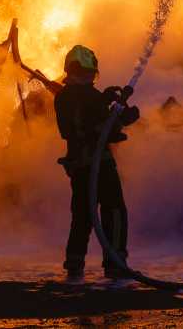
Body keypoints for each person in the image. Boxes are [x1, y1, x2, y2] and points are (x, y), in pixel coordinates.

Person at [55, 44, 140, 279]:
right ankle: (115, 264)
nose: (91, 79)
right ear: (77, 71)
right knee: (114, 211)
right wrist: (123, 118)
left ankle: (74, 265)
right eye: (88, 75)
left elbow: (78, 124)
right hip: (99, 165)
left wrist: (105, 103)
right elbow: (102, 129)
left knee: (82, 215)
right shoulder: (88, 96)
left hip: (79, 166)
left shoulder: (63, 98)